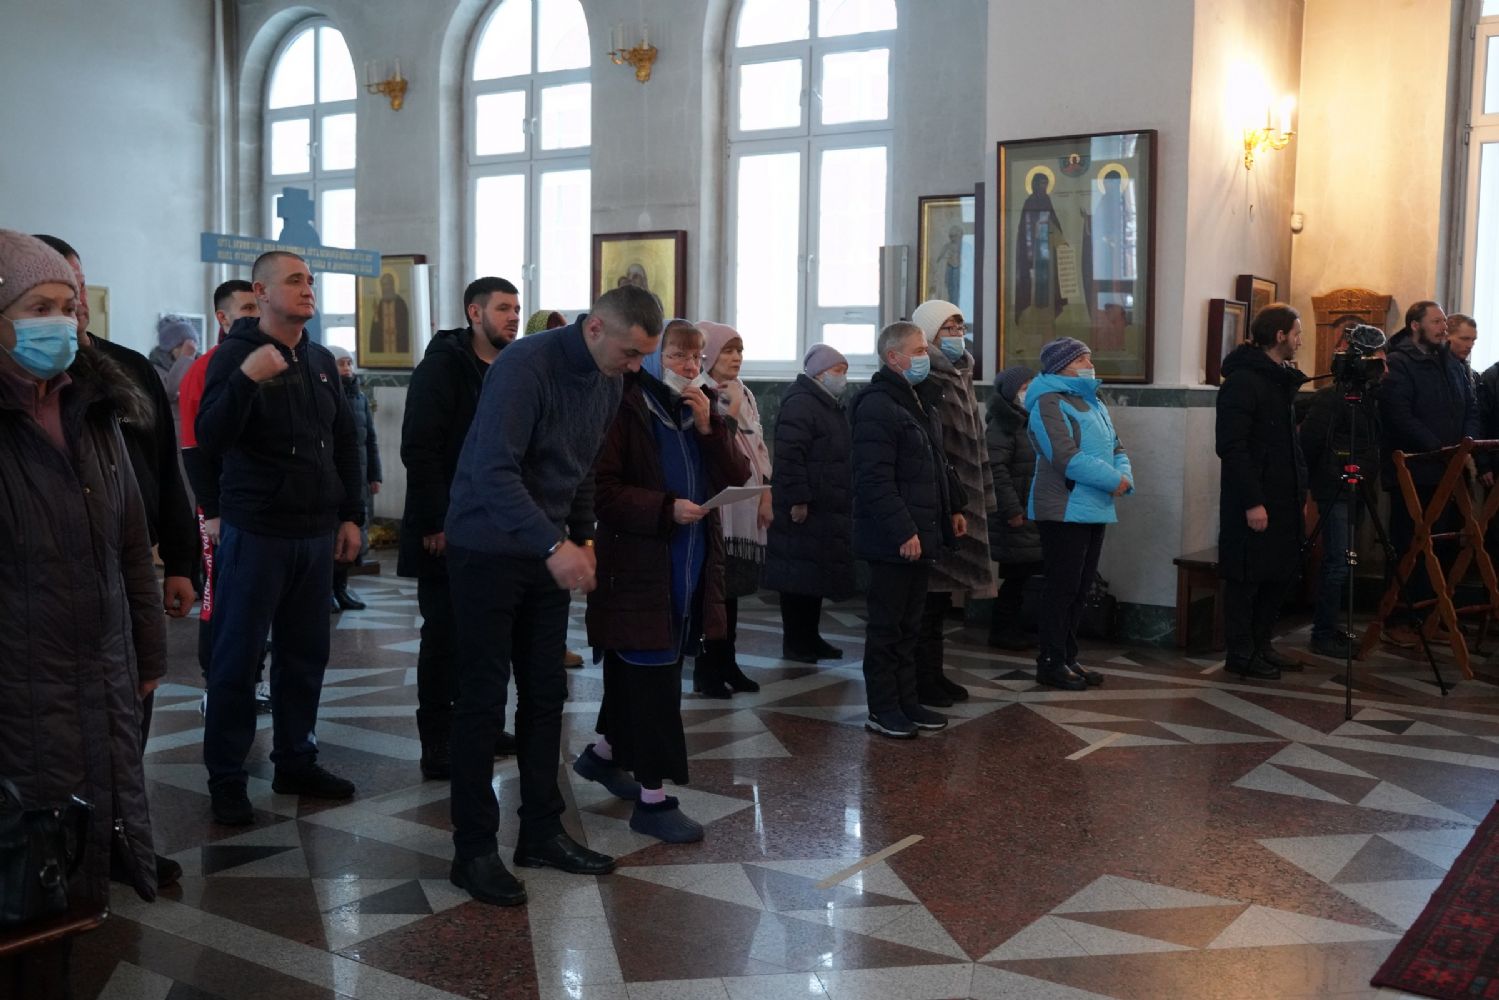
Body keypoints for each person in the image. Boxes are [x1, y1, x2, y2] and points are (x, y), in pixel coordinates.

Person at [443, 285, 662, 907]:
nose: (635, 366)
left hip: (545, 551)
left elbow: (584, 467)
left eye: (643, 355)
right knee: (482, 700)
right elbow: (493, 471)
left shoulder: (608, 378)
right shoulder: (525, 366)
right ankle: (473, 851)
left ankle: (540, 831)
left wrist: (582, 538)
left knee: (545, 694)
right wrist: (553, 544)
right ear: (595, 329)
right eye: (630, 352)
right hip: (486, 548)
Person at [0, 232, 163, 995]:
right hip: (17, 688)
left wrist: (147, 653)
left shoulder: (93, 410)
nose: (60, 323)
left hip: (94, 673)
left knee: (67, 875)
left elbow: (131, 542)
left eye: (68, 306)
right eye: (39, 306)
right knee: (22, 876)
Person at [35, 234, 196, 887]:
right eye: (50, 295)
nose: (72, 303)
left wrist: (182, 561)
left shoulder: (123, 369)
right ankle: (54, 852)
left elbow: (163, 473)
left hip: (124, 571)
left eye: (76, 288)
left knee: (131, 711)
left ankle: (122, 838)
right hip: (42, 585)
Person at [195, 250, 365, 825]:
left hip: (314, 532)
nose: (307, 289)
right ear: (262, 292)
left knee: (305, 656)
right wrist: (247, 380)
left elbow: (344, 441)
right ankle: (227, 777)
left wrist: (351, 515)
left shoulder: (319, 359)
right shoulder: (234, 356)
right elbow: (209, 437)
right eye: (294, 281)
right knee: (237, 658)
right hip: (258, 531)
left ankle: (296, 759)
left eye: (310, 281)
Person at [576, 321, 749, 843]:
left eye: (695, 358)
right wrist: (665, 508)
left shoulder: (698, 408)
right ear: (652, 358)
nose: (689, 367)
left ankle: (604, 755)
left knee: (643, 671)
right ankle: (652, 801)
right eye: (677, 356)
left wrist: (709, 429)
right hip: (639, 568)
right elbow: (601, 490)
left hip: (689, 565)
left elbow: (736, 475)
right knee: (653, 684)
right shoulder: (624, 405)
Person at [399, 276, 522, 779]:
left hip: (497, 527)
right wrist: (435, 520)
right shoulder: (443, 367)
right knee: (445, 636)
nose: (514, 317)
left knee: (490, 636)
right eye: (503, 308)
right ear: (475, 313)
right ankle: (437, 741)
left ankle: (483, 726)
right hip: (447, 525)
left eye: (517, 308)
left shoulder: (512, 366)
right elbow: (420, 447)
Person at [850, 321, 956, 739]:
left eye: (925, 350)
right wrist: (902, 530)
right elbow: (875, 479)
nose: (925, 356)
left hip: (920, 531)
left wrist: (952, 510)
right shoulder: (877, 406)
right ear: (893, 358)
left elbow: (934, 467)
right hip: (893, 538)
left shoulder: (918, 400)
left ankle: (907, 701)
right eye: (918, 351)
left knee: (910, 626)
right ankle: (882, 708)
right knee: (887, 627)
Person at [179, 280, 269, 714]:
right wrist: (211, 511)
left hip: (262, 509)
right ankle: (214, 682)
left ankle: (254, 678)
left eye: (259, 307)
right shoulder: (206, 366)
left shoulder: (276, 358)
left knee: (259, 598)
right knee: (218, 594)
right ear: (223, 317)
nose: (256, 315)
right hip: (220, 506)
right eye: (247, 308)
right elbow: (193, 446)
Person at [1028, 337, 1132, 690]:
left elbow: (1117, 446)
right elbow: (1065, 457)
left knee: (1081, 588)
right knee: (1062, 587)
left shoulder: (1093, 400)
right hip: (1063, 506)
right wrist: (1113, 480)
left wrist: (1125, 477)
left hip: (1095, 504)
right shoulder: (1048, 401)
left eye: (1089, 357)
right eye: (1082, 359)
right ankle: (1050, 661)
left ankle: (1068, 657)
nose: (1090, 364)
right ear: (1061, 365)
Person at [911, 299, 996, 706]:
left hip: (962, 498)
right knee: (927, 598)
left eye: (961, 327)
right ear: (928, 335)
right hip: (939, 500)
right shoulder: (925, 377)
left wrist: (983, 497)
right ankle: (922, 677)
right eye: (948, 328)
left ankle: (936, 673)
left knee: (943, 597)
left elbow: (975, 441)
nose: (957, 335)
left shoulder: (961, 373)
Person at [1216, 305, 1308, 679]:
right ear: (1280, 335)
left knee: (1277, 574)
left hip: (1283, 496)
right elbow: (1232, 446)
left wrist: (1299, 491)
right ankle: (1240, 652)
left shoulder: (1278, 379)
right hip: (1253, 498)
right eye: (1297, 333)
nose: (1301, 340)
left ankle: (1261, 644)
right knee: (1247, 578)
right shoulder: (1243, 381)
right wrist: (1253, 501)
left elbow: (1286, 443)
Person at [1380, 300, 1476, 644]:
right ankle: (1400, 618)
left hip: (1450, 470)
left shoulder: (1451, 362)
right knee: (1410, 546)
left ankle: (1433, 615)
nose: (1443, 327)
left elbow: (1470, 406)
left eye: (1444, 322)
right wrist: (1439, 449)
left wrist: (1465, 444)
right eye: (1436, 322)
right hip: (1416, 471)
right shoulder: (1399, 362)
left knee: (1444, 546)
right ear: (1415, 325)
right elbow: (1399, 415)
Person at [763, 343, 855, 662]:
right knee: (796, 577)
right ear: (819, 373)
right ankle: (796, 642)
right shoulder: (801, 403)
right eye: (837, 371)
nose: (843, 378)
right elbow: (790, 456)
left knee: (813, 575)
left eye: (845, 371)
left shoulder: (826, 403)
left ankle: (811, 637)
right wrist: (799, 498)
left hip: (824, 504)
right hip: (802, 506)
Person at [694, 321, 771, 697]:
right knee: (713, 594)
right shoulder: (700, 392)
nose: (736, 357)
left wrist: (766, 493)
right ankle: (707, 669)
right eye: (727, 350)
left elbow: (758, 445)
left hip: (745, 504)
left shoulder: (744, 392)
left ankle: (728, 663)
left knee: (733, 591)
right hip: (718, 508)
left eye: (739, 350)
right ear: (708, 354)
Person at [1300, 338, 1383, 659]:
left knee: (1345, 560)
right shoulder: (1330, 399)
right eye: (1377, 359)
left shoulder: (1369, 399)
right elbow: (1310, 443)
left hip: (1359, 487)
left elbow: (1372, 442)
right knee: (1336, 563)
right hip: (1334, 487)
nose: (1382, 366)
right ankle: (1322, 633)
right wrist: (1321, 479)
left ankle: (1332, 626)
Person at [985, 364, 1043, 650]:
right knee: (1016, 576)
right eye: (1024, 387)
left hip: (1030, 510)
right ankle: (1003, 631)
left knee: (1023, 573)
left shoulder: (1028, 419)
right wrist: (1012, 510)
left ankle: (1013, 628)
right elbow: (996, 470)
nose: (1029, 391)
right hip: (1014, 512)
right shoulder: (1003, 424)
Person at [328, 346, 382, 612]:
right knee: (334, 537)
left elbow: (370, 438)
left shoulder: (360, 397)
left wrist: (375, 474)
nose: (347, 368)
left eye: (349, 363)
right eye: (341, 363)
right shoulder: (328, 395)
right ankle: (327, 591)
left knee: (353, 537)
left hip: (358, 478)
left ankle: (341, 588)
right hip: (335, 478)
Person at [149, 313, 199, 422]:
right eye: (180, 345)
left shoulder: (198, 363)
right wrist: (185, 358)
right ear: (168, 348)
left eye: (191, 344)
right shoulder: (155, 367)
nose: (188, 349)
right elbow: (168, 393)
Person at [369, 271, 411, 355]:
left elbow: (405, 327)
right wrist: (376, 315)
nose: (385, 288)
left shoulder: (401, 304)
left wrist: (396, 331)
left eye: (387, 284)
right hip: (383, 347)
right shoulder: (379, 305)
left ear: (393, 285)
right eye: (383, 285)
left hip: (399, 346)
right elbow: (375, 332)